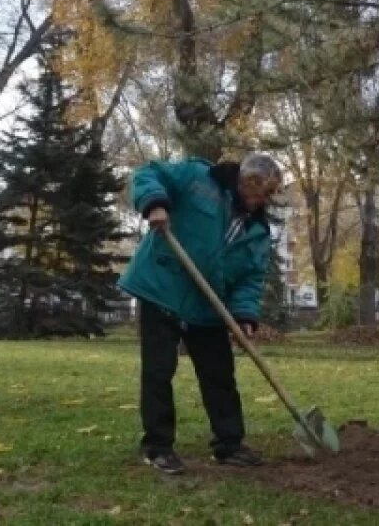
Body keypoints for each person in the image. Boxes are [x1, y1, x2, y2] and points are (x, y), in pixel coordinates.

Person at [119, 152, 283, 474]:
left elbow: (250, 278)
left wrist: (244, 316)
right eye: (256, 191)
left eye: (266, 195)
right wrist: (155, 203)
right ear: (244, 181)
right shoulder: (198, 178)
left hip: (208, 306)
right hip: (162, 287)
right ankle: (158, 447)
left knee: (219, 374)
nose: (259, 200)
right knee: (158, 371)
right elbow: (147, 174)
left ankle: (229, 444)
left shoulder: (258, 232)